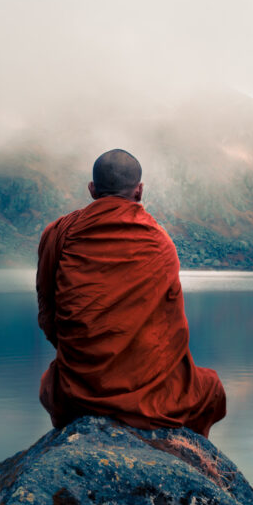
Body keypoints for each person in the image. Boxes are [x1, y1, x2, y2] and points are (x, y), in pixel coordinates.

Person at [36, 148, 226, 436]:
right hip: (147, 393)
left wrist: (84, 360)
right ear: (139, 191)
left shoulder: (59, 233)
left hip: (77, 391)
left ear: (91, 189)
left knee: (50, 383)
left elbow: (48, 314)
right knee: (209, 388)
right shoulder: (159, 242)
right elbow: (172, 333)